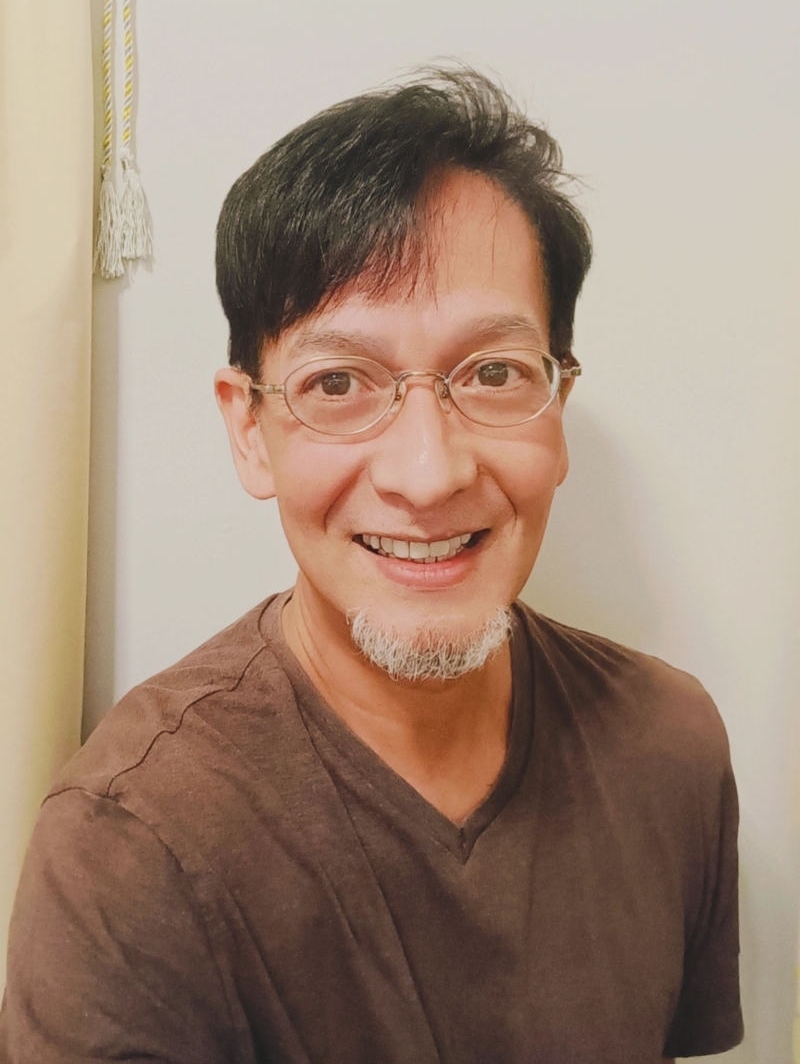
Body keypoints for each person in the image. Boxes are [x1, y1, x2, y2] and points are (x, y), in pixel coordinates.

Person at [0, 68, 742, 1064]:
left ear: (556, 410)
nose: (427, 473)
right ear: (250, 429)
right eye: (339, 381)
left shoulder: (669, 745)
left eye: (492, 372)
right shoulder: (134, 845)